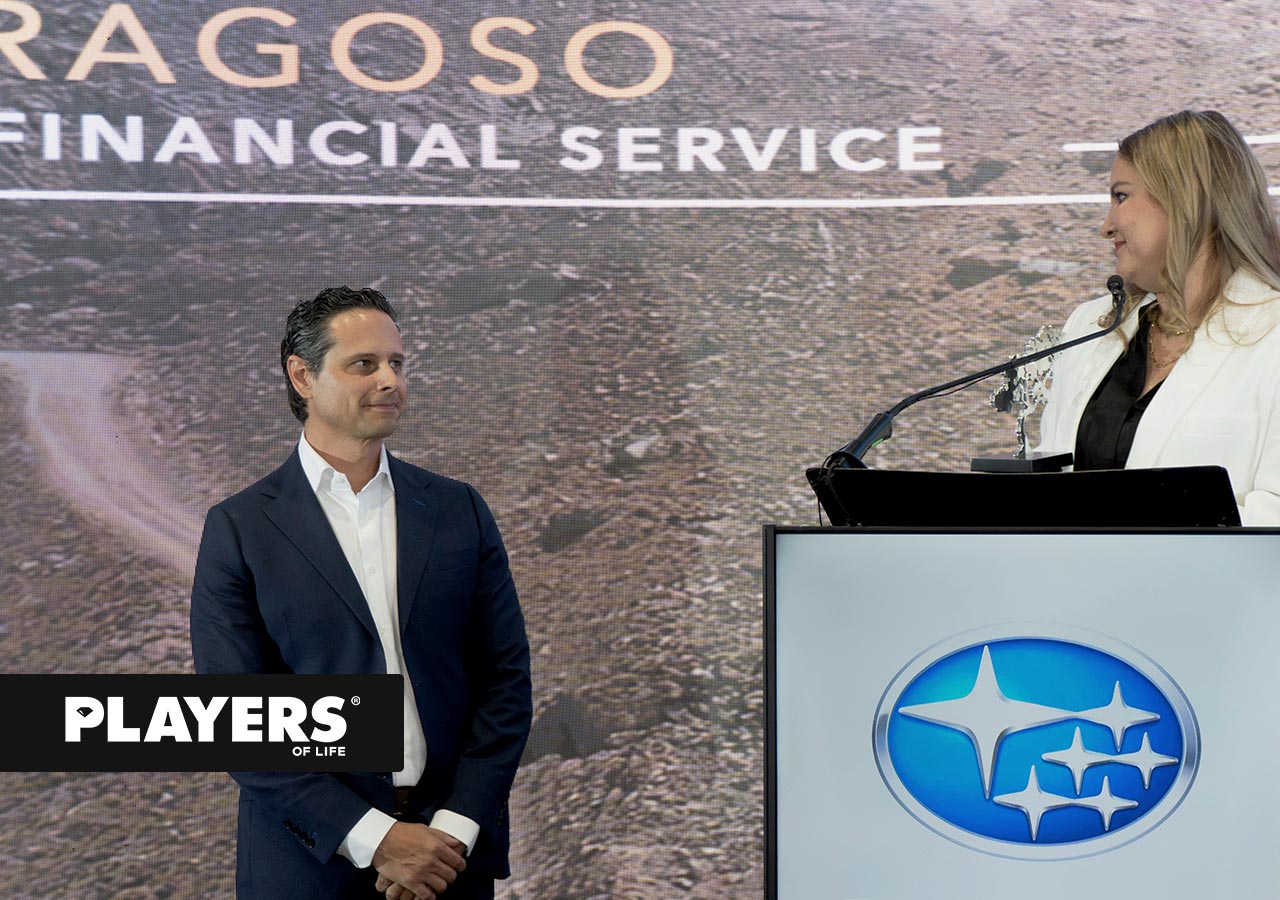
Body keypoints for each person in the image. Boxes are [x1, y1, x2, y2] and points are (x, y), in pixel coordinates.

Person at [190, 286, 532, 900]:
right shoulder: (239, 528)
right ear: (302, 376)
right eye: (364, 364)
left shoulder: (458, 510)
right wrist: (378, 840)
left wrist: (451, 833)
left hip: (450, 864)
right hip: (309, 869)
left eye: (397, 363)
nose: (389, 380)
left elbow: (504, 680)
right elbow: (236, 718)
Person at [1037, 110, 1280, 524]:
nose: (1106, 226)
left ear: (1185, 198)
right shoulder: (1089, 326)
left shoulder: (1272, 334)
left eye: (1121, 196)